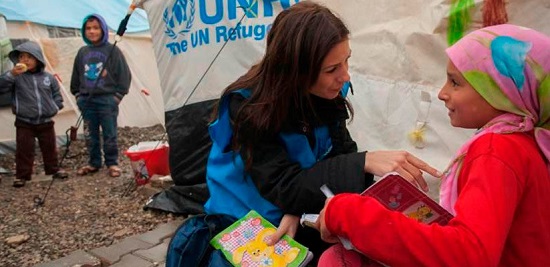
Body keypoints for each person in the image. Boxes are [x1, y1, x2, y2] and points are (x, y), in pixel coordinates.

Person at [165, 2, 440, 266]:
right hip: (247, 213)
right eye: (332, 69)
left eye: (347, 61)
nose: (346, 76)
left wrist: (306, 207)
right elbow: (281, 184)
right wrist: (362, 161)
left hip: (295, 201)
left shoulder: (325, 93)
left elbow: (338, 153)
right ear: (295, 71)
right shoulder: (249, 108)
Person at [315, 24, 550, 266]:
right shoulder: (526, 142)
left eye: (455, 83)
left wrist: (349, 213)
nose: (442, 93)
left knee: (338, 260)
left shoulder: (497, 150)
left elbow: (468, 255)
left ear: (501, 92)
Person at [70, 13, 131, 178]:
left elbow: (124, 75)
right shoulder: (82, 52)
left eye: (96, 28)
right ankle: (94, 162)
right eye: (88, 28)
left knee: (109, 133)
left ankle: (112, 162)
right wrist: (77, 95)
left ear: (103, 29)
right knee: (91, 134)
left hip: (107, 99)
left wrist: (117, 97)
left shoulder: (112, 50)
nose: (92, 31)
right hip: (87, 100)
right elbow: (76, 76)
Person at [0, 41, 68, 187]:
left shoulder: (48, 77)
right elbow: (1, 87)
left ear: (38, 59)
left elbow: (56, 94)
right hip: (24, 121)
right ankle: (22, 175)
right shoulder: (16, 77)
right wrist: (11, 74)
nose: (25, 60)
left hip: (45, 120)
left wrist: (56, 106)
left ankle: (53, 169)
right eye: (22, 57)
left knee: (49, 147)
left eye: (29, 57)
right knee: (24, 149)